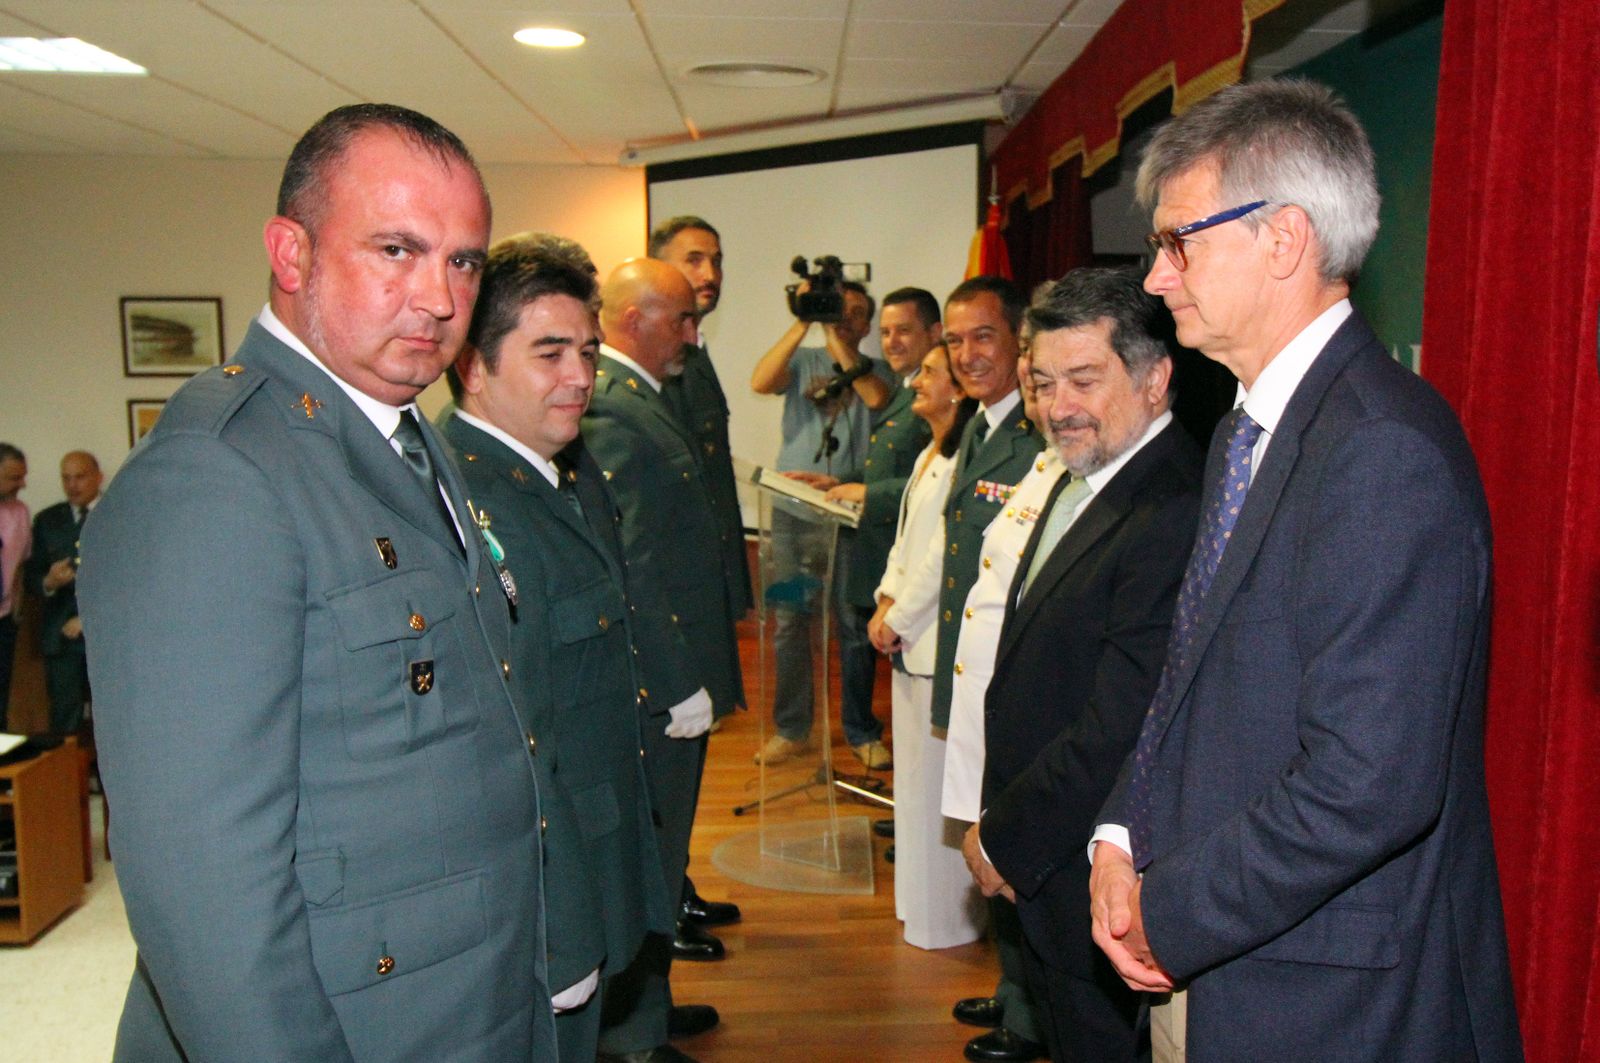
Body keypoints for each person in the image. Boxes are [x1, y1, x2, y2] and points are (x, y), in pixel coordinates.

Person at [78, 104, 558, 1062]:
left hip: (471, 996)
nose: (440, 298)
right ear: (291, 255)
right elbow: (204, 891)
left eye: (464, 261)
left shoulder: (403, 432)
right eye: (397, 250)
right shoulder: (216, 474)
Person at [1089, 79, 1523, 1062]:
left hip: (1329, 999)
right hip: (1226, 955)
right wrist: (1121, 831)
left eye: (1177, 243)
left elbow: (1369, 783)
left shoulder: (1380, 449)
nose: (1155, 279)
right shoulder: (1246, 429)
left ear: (1282, 238)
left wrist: (1170, 908)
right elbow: (1191, 677)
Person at [441, 234, 679, 1063]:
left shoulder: (554, 474)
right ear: (473, 366)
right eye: (549, 354)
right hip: (549, 897)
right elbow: (510, 748)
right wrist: (566, 931)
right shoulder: (471, 506)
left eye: (588, 351)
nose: (580, 376)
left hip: (596, 855)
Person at [963, 268, 1204, 1063]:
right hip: (1054, 865)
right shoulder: (1089, 475)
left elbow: (1122, 724)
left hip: (1094, 869)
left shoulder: (1171, 506)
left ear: (1155, 378)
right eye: (1042, 383)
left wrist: (1006, 837)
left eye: (1084, 379)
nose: (1056, 406)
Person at [584, 257, 743, 1063]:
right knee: (651, 855)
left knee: (664, 851)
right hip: (661, 679)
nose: (691, 334)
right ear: (633, 319)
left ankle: (651, 1009)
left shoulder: (640, 398)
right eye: (680, 319)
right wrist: (678, 680)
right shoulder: (612, 407)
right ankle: (634, 1036)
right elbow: (632, 562)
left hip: (680, 664)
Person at [931, 276, 1048, 1063]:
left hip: (1013, 680)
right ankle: (1014, 989)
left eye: (984, 336)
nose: (967, 354)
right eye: (955, 340)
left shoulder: (1039, 438)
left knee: (1013, 836)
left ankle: (1030, 1009)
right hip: (975, 670)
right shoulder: (977, 426)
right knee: (990, 828)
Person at [649, 215, 745, 962]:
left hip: (703, 588)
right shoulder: (654, 370)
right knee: (667, 769)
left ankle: (674, 884)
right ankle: (661, 901)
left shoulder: (696, 354)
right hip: (673, 604)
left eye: (715, 259)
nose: (709, 272)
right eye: (692, 259)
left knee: (690, 764)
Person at [866, 339, 983, 949]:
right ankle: (915, 907)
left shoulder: (967, 457)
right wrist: (886, 598)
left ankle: (945, 922)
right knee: (910, 786)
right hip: (907, 635)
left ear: (958, 391)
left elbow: (944, 553)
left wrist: (903, 615)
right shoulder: (928, 452)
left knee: (937, 789)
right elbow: (906, 540)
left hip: (934, 640)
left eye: (930, 373)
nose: (915, 382)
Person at [750, 279, 895, 769]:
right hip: (793, 514)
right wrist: (803, 321)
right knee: (790, 622)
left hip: (850, 515)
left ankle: (860, 731)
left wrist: (834, 334)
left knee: (853, 625)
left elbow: (874, 399)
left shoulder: (880, 372)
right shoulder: (803, 360)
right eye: (836, 309)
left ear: (867, 325)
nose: (842, 319)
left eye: (853, 313)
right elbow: (760, 381)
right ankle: (791, 729)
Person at [26, 450, 100, 736]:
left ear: (98, 477)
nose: (72, 485)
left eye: (80, 477)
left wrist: (88, 618)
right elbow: (31, 577)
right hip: (60, 636)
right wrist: (49, 581)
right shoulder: (48, 520)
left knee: (111, 717)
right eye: (66, 478)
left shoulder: (116, 515)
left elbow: (130, 579)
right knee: (64, 716)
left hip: (104, 633)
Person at [0, 443, 29, 716]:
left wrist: (17, 611)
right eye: (14, 478)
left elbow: (21, 564)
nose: (22, 484)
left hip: (4, 620)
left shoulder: (20, 512)